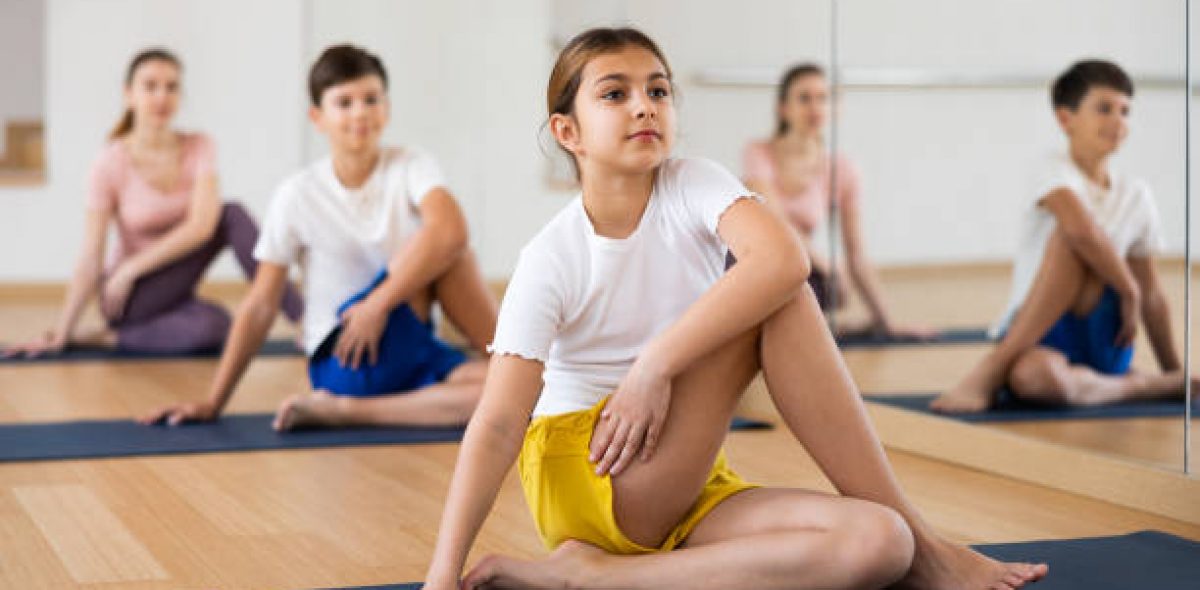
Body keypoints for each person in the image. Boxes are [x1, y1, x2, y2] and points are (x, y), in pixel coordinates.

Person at [423, 27, 1046, 590]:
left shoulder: (694, 181)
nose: (645, 105)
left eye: (659, 90)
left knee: (880, 543)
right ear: (568, 132)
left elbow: (782, 256)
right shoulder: (551, 256)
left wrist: (654, 365)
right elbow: (500, 424)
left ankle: (595, 578)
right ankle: (931, 552)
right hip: (590, 470)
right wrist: (441, 577)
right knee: (780, 300)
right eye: (615, 94)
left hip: (684, 479)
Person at [140, 45, 497, 431]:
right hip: (348, 354)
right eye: (343, 103)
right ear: (318, 118)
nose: (360, 111)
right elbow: (261, 304)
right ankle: (507, 366)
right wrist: (214, 401)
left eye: (370, 99)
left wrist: (376, 307)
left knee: (525, 391)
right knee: (450, 254)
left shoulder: (411, 164)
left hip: (411, 343)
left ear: (387, 108)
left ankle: (349, 412)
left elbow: (452, 230)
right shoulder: (297, 194)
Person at [4, 48, 302, 358]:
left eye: (171, 87)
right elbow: (91, 254)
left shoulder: (199, 146)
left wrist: (132, 267)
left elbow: (202, 227)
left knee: (217, 325)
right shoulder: (109, 163)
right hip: (129, 296)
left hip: (159, 282)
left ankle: (111, 339)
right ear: (128, 95)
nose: (162, 96)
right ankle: (306, 321)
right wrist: (62, 330)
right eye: (150, 86)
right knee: (232, 215)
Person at [933, 60, 1193, 413]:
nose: (1118, 121)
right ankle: (1139, 386)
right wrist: (1127, 287)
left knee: (1078, 241)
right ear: (1065, 119)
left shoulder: (1136, 194)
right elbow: (1080, 230)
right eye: (1104, 109)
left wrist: (1174, 370)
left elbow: (1151, 292)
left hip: (1106, 336)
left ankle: (991, 371)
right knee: (1035, 380)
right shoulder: (1049, 169)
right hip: (1040, 335)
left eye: (1125, 111)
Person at [743, 64, 932, 340]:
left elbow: (856, 253)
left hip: (802, 274)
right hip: (754, 264)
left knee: (804, 294)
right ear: (783, 108)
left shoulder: (842, 169)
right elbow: (776, 224)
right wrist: (830, 267)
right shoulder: (757, 153)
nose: (815, 107)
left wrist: (886, 323)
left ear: (836, 107)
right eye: (804, 98)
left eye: (824, 98)